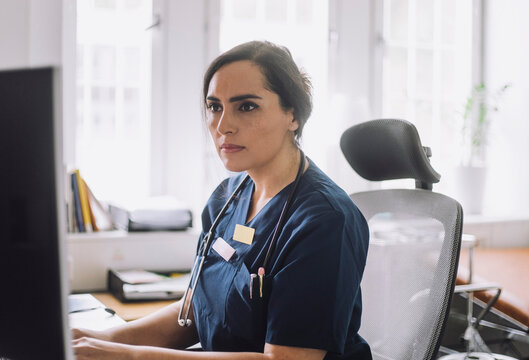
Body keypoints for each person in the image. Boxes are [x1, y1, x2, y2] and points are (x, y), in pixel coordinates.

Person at [72, 40, 372, 360]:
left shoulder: (325, 221)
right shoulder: (227, 198)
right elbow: (195, 311)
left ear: (293, 115)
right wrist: (97, 339)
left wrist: (130, 357)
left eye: (246, 106)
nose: (223, 125)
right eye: (215, 106)